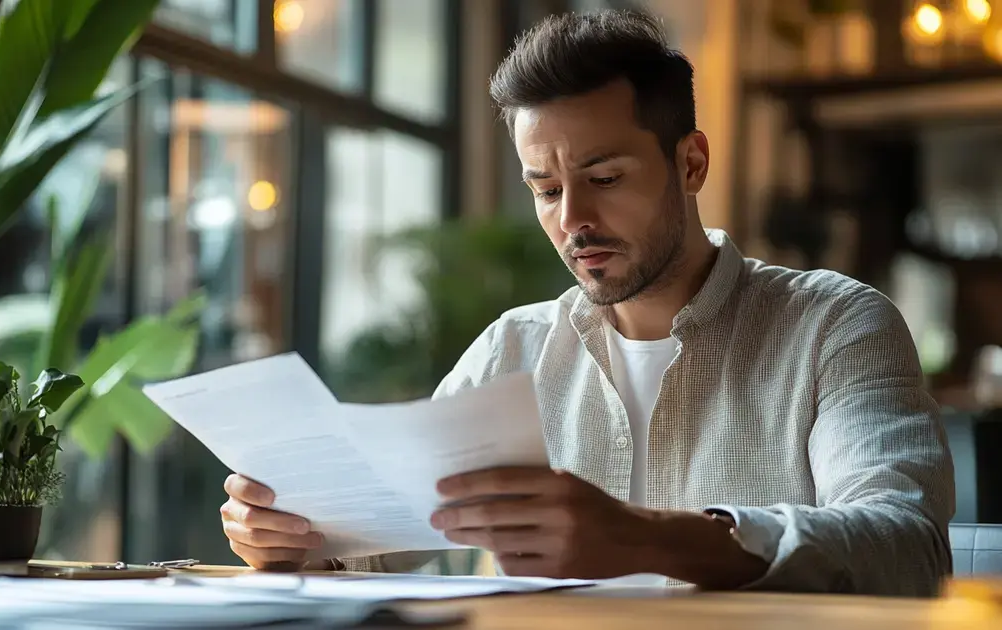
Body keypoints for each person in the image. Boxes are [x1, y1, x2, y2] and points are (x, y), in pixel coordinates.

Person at [219, 9, 955, 596]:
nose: (571, 219)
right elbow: (378, 545)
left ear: (691, 162)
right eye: (544, 189)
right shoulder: (514, 349)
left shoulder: (834, 325)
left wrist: (646, 537)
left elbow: (905, 546)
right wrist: (294, 538)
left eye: (603, 178)